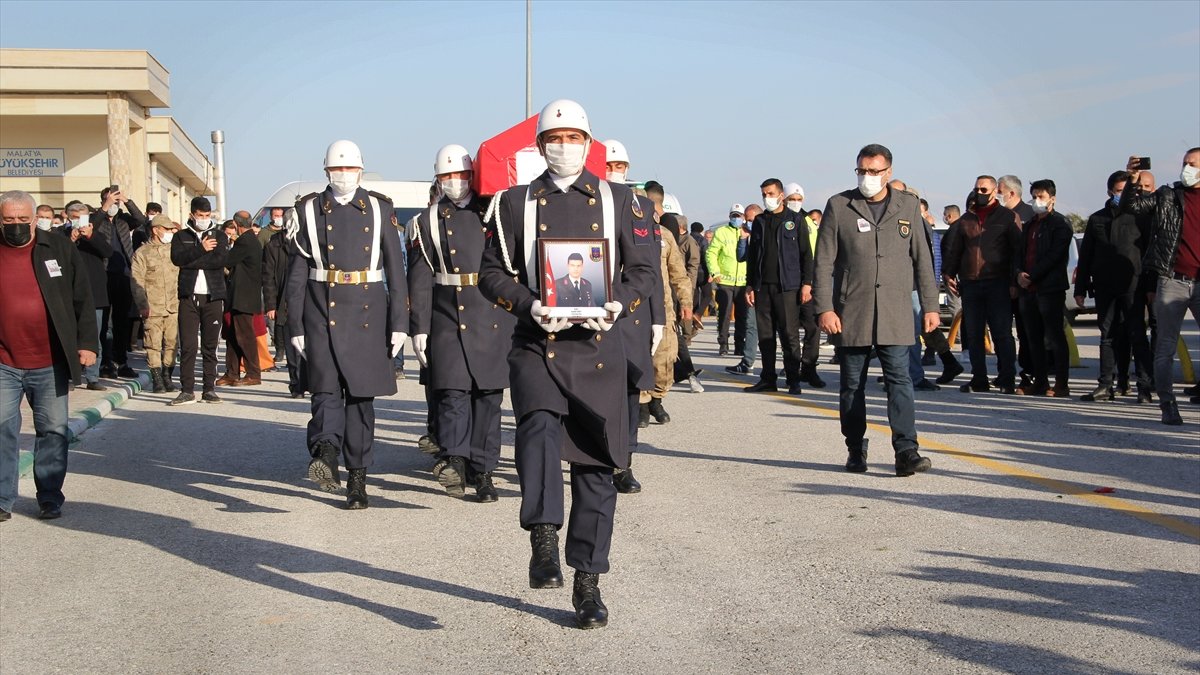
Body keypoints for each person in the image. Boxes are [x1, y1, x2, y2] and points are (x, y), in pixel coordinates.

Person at [478, 99, 656, 629]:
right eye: (555, 137)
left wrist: (618, 304)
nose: (564, 145)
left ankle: (588, 581)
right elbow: (491, 272)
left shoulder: (623, 200)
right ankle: (542, 536)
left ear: (589, 142)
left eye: (575, 136)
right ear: (539, 146)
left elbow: (643, 271)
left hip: (600, 345)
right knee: (536, 429)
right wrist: (526, 303)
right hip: (538, 339)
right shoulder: (512, 203)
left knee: (597, 469)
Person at [285, 140, 408, 509]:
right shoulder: (307, 210)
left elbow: (395, 269)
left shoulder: (378, 207)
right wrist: (295, 326)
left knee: (359, 400)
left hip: (369, 311)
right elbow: (296, 274)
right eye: (336, 170)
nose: (342, 175)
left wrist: (400, 321)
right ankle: (325, 453)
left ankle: (358, 478)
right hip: (320, 308)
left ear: (360, 170)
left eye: (349, 169)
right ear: (326, 171)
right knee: (324, 390)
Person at [812, 144, 938, 477]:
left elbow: (922, 259)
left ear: (889, 172)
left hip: (896, 311)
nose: (867, 177)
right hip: (851, 310)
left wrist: (929, 305)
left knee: (901, 381)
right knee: (852, 385)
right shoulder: (840, 205)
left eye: (874, 171)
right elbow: (823, 261)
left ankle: (906, 451)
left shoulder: (907, 205)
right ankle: (856, 448)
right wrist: (824, 307)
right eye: (862, 171)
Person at [409, 144, 515, 502]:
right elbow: (420, 278)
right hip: (448, 316)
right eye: (447, 176)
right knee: (452, 394)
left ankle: (483, 472)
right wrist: (419, 327)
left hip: (491, 313)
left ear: (472, 175)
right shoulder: (425, 221)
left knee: (487, 399)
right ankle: (454, 459)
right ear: (437, 179)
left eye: (460, 175)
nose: (455, 182)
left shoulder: (494, 212)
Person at [0, 190, 98, 521]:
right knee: (2, 429)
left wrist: (87, 343)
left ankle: (49, 496)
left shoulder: (57, 246)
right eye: (8, 220)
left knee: (53, 430)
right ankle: (2, 499)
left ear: (34, 219)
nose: (15, 225)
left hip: (50, 358)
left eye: (22, 220)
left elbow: (82, 297)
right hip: (4, 361)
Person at [1120, 149, 1200, 425]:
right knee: (1165, 347)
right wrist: (1132, 179)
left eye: (1193, 164)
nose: (1187, 168)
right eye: (1185, 163)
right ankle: (1168, 405)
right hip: (1173, 279)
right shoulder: (1169, 195)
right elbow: (1133, 207)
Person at [603, 138, 664, 495]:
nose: (615, 172)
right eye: (609, 166)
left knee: (628, 391)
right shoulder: (586, 203)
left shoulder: (639, 206)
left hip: (633, 313)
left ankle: (623, 462)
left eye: (620, 166)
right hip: (593, 309)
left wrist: (657, 317)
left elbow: (648, 266)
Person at [1074, 170, 1153, 403]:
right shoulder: (1097, 219)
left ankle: (1144, 387)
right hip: (1104, 286)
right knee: (1107, 335)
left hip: (1133, 284)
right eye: (1119, 191)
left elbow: (1148, 252)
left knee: (1137, 335)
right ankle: (1105, 385)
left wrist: (1150, 286)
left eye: (1126, 190)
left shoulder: (1140, 216)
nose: (1123, 194)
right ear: (1110, 192)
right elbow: (1086, 255)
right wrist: (1080, 288)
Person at [942, 177, 1022, 394]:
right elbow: (955, 251)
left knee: (1002, 333)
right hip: (970, 284)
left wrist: (1015, 281)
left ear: (995, 191)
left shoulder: (1007, 217)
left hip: (998, 283)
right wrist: (948, 273)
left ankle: (1006, 378)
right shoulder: (965, 221)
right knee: (974, 334)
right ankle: (979, 379)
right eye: (976, 189)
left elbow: (1017, 251)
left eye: (984, 189)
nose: (980, 192)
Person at [745, 179, 812, 395]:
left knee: (789, 335)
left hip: (788, 287)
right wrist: (750, 285)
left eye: (771, 193)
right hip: (763, 287)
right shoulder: (760, 221)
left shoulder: (795, 220)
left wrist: (807, 284)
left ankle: (794, 379)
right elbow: (753, 256)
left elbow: (806, 255)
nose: (767, 198)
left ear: (781, 195)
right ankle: (768, 378)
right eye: (764, 194)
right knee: (766, 336)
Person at [1015, 179, 1073, 397]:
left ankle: (1061, 384)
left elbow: (1055, 256)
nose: (1037, 201)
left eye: (1042, 197)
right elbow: (1019, 255)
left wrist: (1033, 276)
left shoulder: (1060, 224)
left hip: (1049, 289)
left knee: (1054, 337)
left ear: (1052, 199)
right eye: (1035, 197)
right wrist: (1018, 273)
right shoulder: (1029, 225)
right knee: (1033, 338)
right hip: (1027, 291)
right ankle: (1040, 382)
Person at [169, 197, 229, 406]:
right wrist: (201, 249)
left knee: (210, 346)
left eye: (207, 215)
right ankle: (187, 390)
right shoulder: (180, 236)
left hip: (213, 297)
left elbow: (219, 261)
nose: (204, 219)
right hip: (188, 296)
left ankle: (209, 389)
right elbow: (177, 259)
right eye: (200, 216)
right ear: (192, 215)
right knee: (188, 346)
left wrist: (192, 260)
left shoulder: (219, 236)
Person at [92, 186, 146, 379]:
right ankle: (106, 362)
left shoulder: (123, 220)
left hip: (124, 274)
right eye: (109, 201)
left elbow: (142, 220)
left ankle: (122, 361)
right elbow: (91, 226)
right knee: (105, 323)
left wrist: (127, 201)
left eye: (115, 202)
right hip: (104, 275)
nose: (113, 205)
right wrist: (104, 207)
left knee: (122, 322)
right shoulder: (97, 219)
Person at [130, 215, 180, 393]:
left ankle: (168, 375)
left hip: (173, 306)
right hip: (153, 306)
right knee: (153, 344)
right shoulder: (142, 253)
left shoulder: (174, 250)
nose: (170, 233)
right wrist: (143, 305)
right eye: (166, 229)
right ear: (156, 229)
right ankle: (157, 378)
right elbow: (137, 282)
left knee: (172, 343)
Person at [67, 201, 110, 391]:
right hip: (67, 294)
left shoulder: (96, 235)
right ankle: (70, 375)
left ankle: (93, 377)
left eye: (82, 218)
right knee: (69, 336)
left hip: (94, 295)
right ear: (68, 217)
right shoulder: (59, 236)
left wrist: (91, 236)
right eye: (75, 218)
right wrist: (70, 240)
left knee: (94, 335)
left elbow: (108, 252)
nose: (78, 222)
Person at [216, 215, 263, 387]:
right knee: (232, 335)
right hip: (238, 296)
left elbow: (227, 260)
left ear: (236, 225)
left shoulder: (246, 241)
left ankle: (253, 373)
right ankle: (232, 372)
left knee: (245, 336)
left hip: (244, 297)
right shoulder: (249, 240)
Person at [263, 208, 305, 398]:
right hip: (284, 301)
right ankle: (296, 383)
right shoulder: (274, 244)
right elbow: (268, 277)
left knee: (310, 345)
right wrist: (271, 305)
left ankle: (310, 381)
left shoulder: (307, 241)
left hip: (307, 300)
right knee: (292, 346)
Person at [788, 183, 825, 387]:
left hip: (808, 283)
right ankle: (791, 368)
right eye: (791, 198)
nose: (795, 202)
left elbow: (814, 255)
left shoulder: (808, 222)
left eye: (798, 198)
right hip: (786, 284)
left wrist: (809, 283)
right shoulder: (782, 220)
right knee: (789, 330)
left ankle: (809, 368)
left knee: (813, 327)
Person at [707, 204, 749, 356]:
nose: (736, 218)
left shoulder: (747, 232)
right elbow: (711, 253)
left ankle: (740, 345)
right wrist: (715, 271)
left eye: (739, 216)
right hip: (725, 281)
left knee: (742, 316)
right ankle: (723, 344)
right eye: (734, 215)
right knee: (724, 314)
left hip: (743, 282)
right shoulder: (721, 232)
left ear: (744, 217)